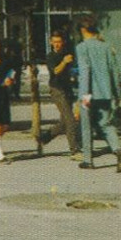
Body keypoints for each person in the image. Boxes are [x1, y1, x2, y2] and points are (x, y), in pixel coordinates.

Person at [75, 17, 121, 172]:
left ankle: (88, 159)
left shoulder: (82, 48)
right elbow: (115, 72)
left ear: (83, 30)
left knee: (86, 127)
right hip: (106, 93)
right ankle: (118, 151)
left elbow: (85, 72)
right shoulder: (107, 47)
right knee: (106, 124)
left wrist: (84, 96)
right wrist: (116, 94)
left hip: (90, 94)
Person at [45, 31, 81, 159]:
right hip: (57, 89)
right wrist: (64, 62)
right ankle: (75, 150)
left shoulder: (67, 54)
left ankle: (46, 136)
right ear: (50, 42)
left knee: (64, 121)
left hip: (67, 89)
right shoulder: (50, 56)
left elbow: (73, 71)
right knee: (70, 119)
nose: (57, 45)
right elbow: (55, 71)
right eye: (54, 42)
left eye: (59, 42)